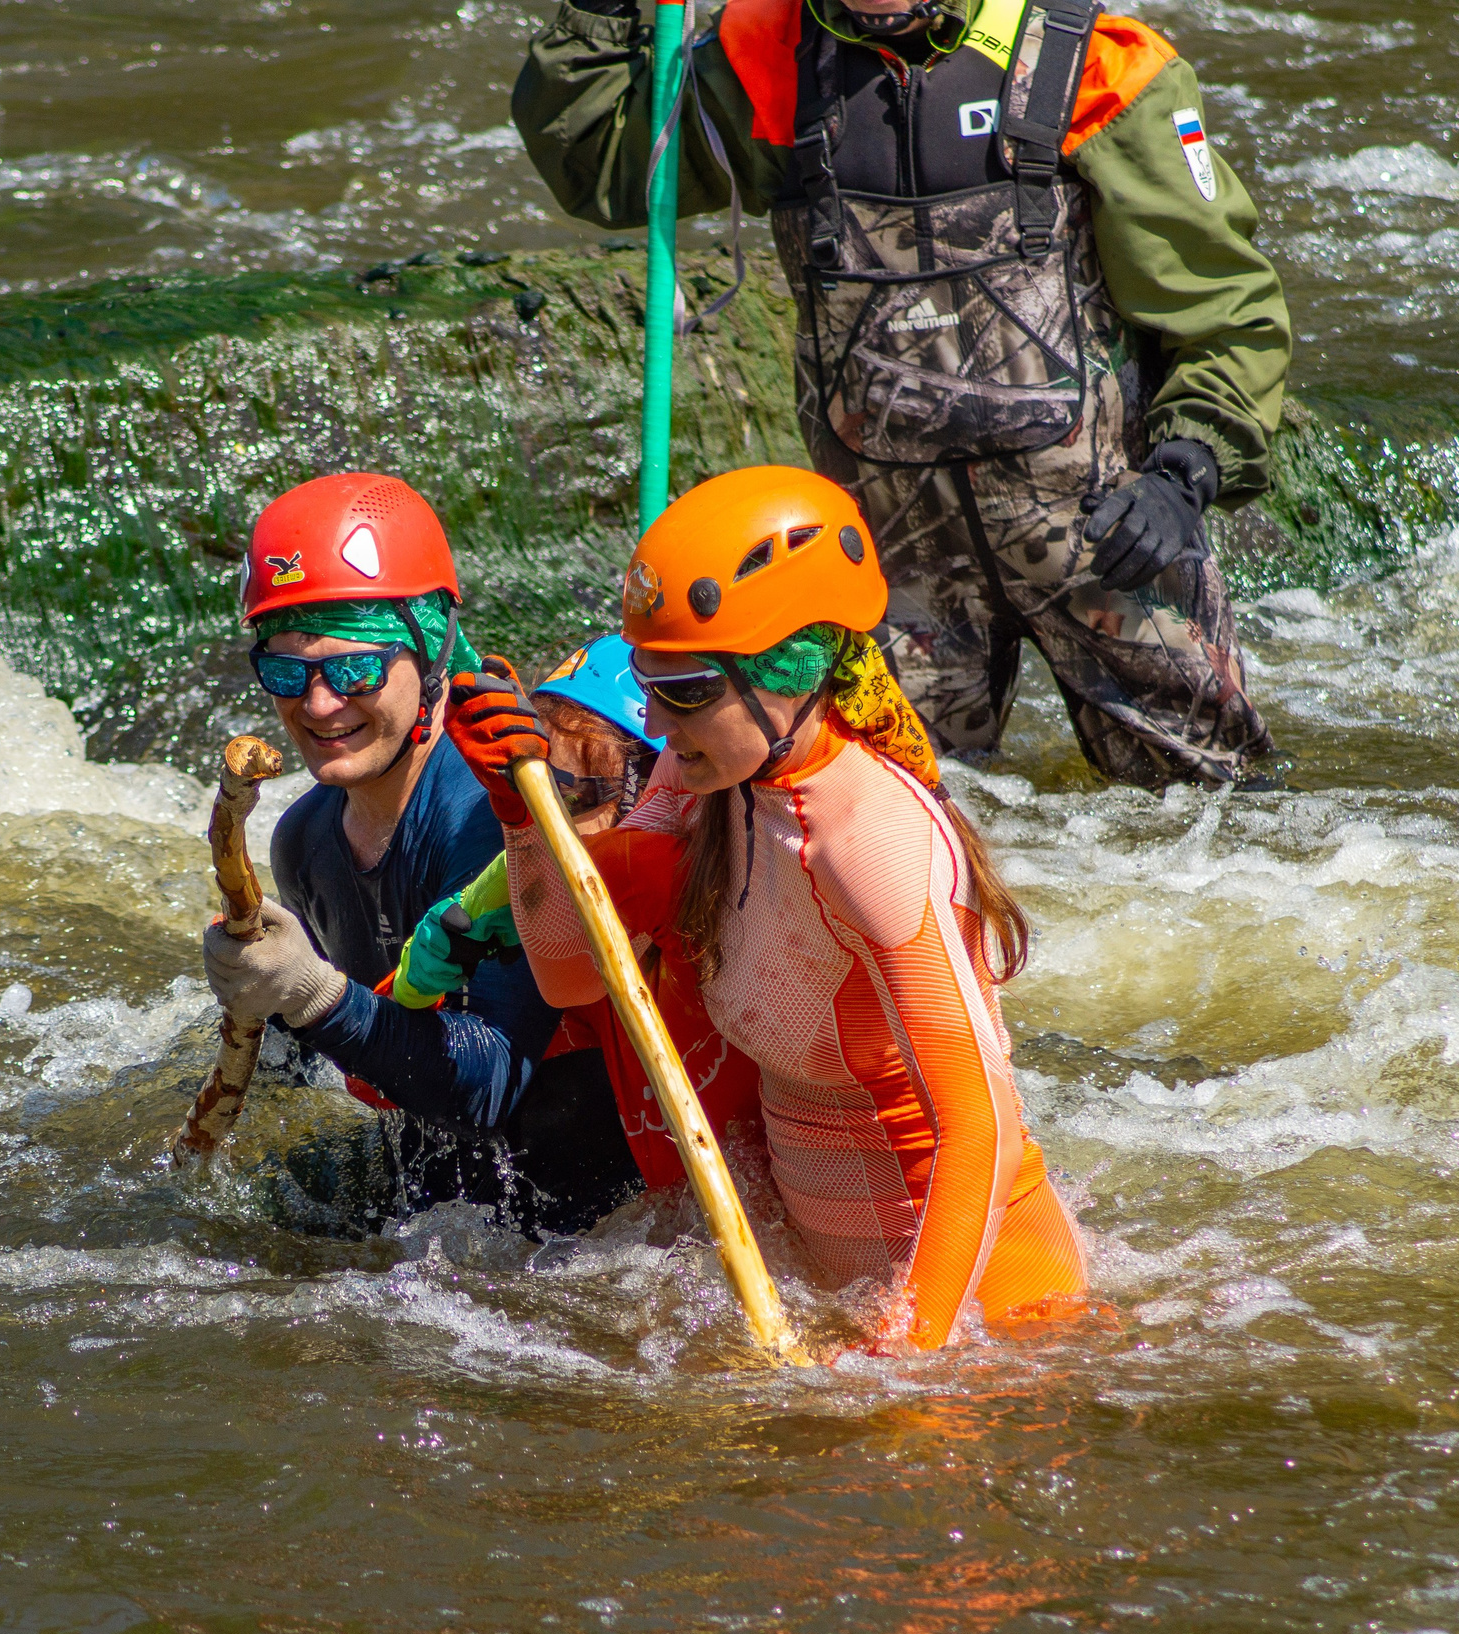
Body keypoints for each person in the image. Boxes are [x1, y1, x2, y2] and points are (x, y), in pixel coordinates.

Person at [511, 0, 1291, 788]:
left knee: (1220, 820)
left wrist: (1186, 470)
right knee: (890, 827)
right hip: (891, 575)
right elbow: (602, 164)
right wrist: (599, 13)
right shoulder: (766, 56)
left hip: (1107, 540)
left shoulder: (1097, 64)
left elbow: (1222, 303)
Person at [451, 467, 1088, 1350]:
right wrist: (523, 818)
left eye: (685, 694)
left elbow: (982, 1128)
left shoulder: (869, 840)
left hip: (979, 1301)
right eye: (648, 684)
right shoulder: (704, 780)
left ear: (787, 671)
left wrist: (911, 1351)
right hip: (829, 1293)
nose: (659, 726)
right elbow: (565, 973)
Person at [198, 472, 641, 1236]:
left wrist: (310, 995)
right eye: (284, 670)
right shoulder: (303, 841)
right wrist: (263, 1010)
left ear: (432, 648)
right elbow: (357, 1048)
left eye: (355, 668)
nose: (319, 704)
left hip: (586, 1228)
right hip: (441, 1204)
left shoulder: (500, 817)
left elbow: (495, 1081)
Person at [390, 635, 761, 1192]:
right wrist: (415, 991)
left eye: (571, 795)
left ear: (660, 794)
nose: (547, 826)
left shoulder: (730, 903)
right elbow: (379, 1085)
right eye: (530, 791)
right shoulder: (554, 929)